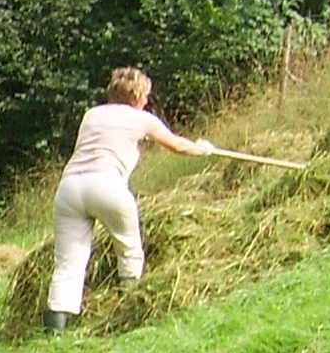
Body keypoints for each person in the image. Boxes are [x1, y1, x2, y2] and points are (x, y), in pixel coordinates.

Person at [45, 68, 217, 333]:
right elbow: (177, 146)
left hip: (69, 188)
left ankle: (54, 332)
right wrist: (203, 149)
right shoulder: (142, 119)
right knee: (128, 249)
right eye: (145, 95)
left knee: (69, 262)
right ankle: (129, 309)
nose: (147, 101)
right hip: (106, 185)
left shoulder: (92, 114)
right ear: (138, 96)